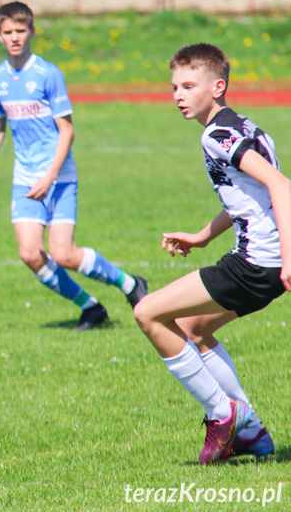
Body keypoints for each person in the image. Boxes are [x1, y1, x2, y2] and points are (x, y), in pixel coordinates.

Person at [133, 43, 285, 464]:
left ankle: (224, 417)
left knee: (147, 313)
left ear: (217, 86)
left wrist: (288, 259)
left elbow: (281, 187)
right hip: (263, 264)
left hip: (257, 263)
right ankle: (250, 432)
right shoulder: (245, 126)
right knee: (193, 330)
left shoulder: (216, 134)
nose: (178, 95)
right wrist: (203, 235)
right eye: (174, 87)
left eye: (188, 85)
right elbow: (251, 195)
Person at [0, 1, 147, 331]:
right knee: (31, 254)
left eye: (21, 31)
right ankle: (90, 307)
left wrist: (50, 176)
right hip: (25, 178)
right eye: (8, 32)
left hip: (58, 176)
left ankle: (130, 284)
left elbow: (67, 131)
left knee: (63, 254)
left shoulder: (48, 74)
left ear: (32, 32)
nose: (15, 37)